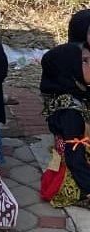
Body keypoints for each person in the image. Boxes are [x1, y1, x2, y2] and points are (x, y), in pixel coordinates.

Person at [39, 42, 90, 207]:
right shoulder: (70, 112)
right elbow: (74, 157)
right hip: (75, 173)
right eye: (84, 61)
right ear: (69, 69)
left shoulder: (69, 92)